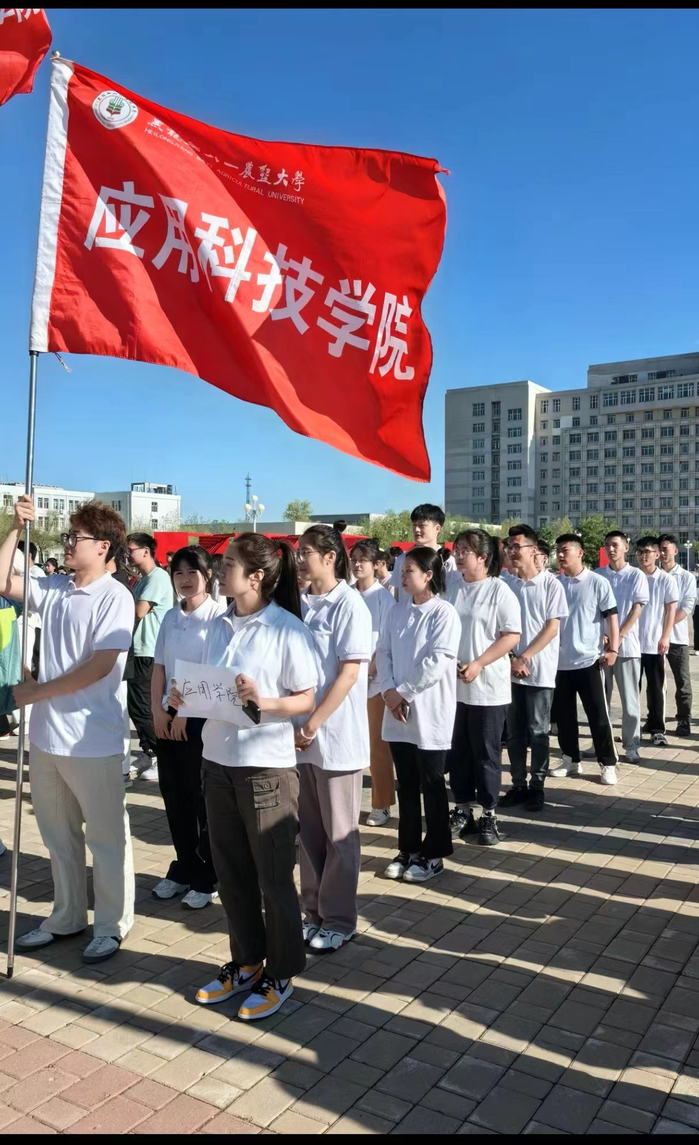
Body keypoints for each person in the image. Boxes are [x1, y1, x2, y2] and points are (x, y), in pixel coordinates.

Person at [169, 533, 318, 1019]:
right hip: (217, 762)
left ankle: (282, 972)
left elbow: (306, 698)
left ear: (256, 577)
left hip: (265, 767)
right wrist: (181, 696)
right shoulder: (218, 624)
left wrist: (263, 701)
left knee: (273, 879)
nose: (219, 569)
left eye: (229, 563)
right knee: (231, 875)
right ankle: (247, 962)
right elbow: (206, 687)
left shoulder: (286, 628)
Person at [0, 496, 135, 964]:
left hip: (92, 739)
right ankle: (67, 915)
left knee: (106, 839)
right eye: (68, 535)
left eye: (76, 537)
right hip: (46, 738)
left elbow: (101, 665)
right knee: (59, 837)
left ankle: (112, 924)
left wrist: (37, 692)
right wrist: (15, 528)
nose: (68, 543)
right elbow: (2, 581)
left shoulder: (114, 597)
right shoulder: (56, 586)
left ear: (102, 546)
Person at [295, 525, 372, 952]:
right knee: (309, 831)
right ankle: (313, 912)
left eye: (307, 551)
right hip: (299, 737)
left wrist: (313, 724)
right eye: (299, 551)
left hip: (335, 735)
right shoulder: (298, 603)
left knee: (340, 833)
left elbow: (348, 673)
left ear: (329, 557)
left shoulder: (349, 605)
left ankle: (340, 919)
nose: (300, 558)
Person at [377, 548, 460, 881]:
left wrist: (403, 692)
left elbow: (438, 660)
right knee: (407, 784)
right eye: (402, 570)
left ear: (429, 575)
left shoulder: (443, 613)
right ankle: (408, 848)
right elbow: (383, 652)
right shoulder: (395, 610)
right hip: (396, 710)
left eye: (410, 570)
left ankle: (434, 853)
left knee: (433, 783)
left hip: (429, 711)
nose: (403, 575)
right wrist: (388, 690)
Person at [152, 547, 225, 908]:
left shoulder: (218, 617)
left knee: (200, 799)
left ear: (208, 575)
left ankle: (208, 876)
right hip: (168, 714)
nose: (184, 579)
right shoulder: (170, 616)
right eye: (178, 572)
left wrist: (185, 711)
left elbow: (212, 672)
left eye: (192, 572)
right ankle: (183, 867)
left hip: (200, 717)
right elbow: (159, 667)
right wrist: (157, 710)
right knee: (174, 795)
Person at [446, 530, 520, 847]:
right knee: (458, 752)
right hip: (453, 687)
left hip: (488, 688)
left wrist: (478, 663)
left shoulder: (499, 591)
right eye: (457, 549)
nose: (459, 555)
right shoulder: (452, 587)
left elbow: (511, 635)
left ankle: (489, 813)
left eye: (466, 551)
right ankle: (463, 809)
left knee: (486, 754)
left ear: (483, 557)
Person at [501, 525, 568, 812]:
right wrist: (511, 658)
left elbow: (552, 628)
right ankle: (518, 784)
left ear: (534, 550)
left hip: (539, 672)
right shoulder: (507, 585)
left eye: (517, 546)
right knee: (514, 733)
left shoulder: (551, 585)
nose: (512, 551)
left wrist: (524, 657)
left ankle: (537, 787)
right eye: (509, 546)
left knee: (538, 732)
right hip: (510, 670)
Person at [549, 534, 619, 785]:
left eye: (565, 550)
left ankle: (607, 763)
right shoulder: (555, 583)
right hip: (560, 662)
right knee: (564, 716)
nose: (560, 555)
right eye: (558, 550)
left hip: (589, 660)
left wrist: (613, 650)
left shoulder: (597, 582)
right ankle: (570, 760)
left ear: (579, 553)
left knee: (598, 715)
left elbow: (612, 618)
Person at [350, 540, 396, 827]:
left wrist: (369, 671)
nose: (357, 564)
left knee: (377, 747)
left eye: (363, 560)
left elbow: (386, 643)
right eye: (354, 559)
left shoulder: (384, 599)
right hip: (347, 681)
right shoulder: (347, 594)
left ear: (377, 564)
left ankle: (381, 803)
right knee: (351, 744)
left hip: (374, 682)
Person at [593, 531, 648, 763]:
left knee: (630, 700)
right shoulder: (597, 575)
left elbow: (637, 608)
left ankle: (631, 745)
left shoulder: (635, 575)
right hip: (600, 647)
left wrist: (619, 636)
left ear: (626, 548)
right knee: (600, 700)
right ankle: (603, 745)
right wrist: (602, 636)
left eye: (615, 545)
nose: (611, 549)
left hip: (627, 647)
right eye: (607, 545)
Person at [126, 532, 173, 781]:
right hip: (138, 649)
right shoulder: (143, 580)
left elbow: (139, 611)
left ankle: (161, 756)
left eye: (131, 550)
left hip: (149, 650)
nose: (127, 554)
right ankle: (149, 751)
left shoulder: (157, 577)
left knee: (143, 706)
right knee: (136, 706)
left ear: (146, 551)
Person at [637, 537, 678, 746]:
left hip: (654, 643)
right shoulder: (632, 577)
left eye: (647, 552)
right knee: (632, 689)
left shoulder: (665, 580)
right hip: (632, 645)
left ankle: (657, 729)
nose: (643, 556)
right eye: (640, 552)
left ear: (657, 554)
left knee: (656, 688)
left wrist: (665, 636)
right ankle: (632, 729)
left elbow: (671, 610)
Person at [658, 534, 697, 737]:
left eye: (666, 549)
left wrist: (664, 626)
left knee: (682, 681)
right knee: (655, 681)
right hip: (653, 639)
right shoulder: (652, 575)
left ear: (675, 550)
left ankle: (684, 719)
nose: (662, 553)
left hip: (677, 638)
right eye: (660, 549)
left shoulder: (686, 577)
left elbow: (686, 608)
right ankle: (655, 719)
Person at [389, 504, 457, 603]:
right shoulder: (402, 559)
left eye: (421, 526)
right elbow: (397, 594)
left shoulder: (447, 561)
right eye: (414, 525)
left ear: (437, 528)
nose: (416, 530)